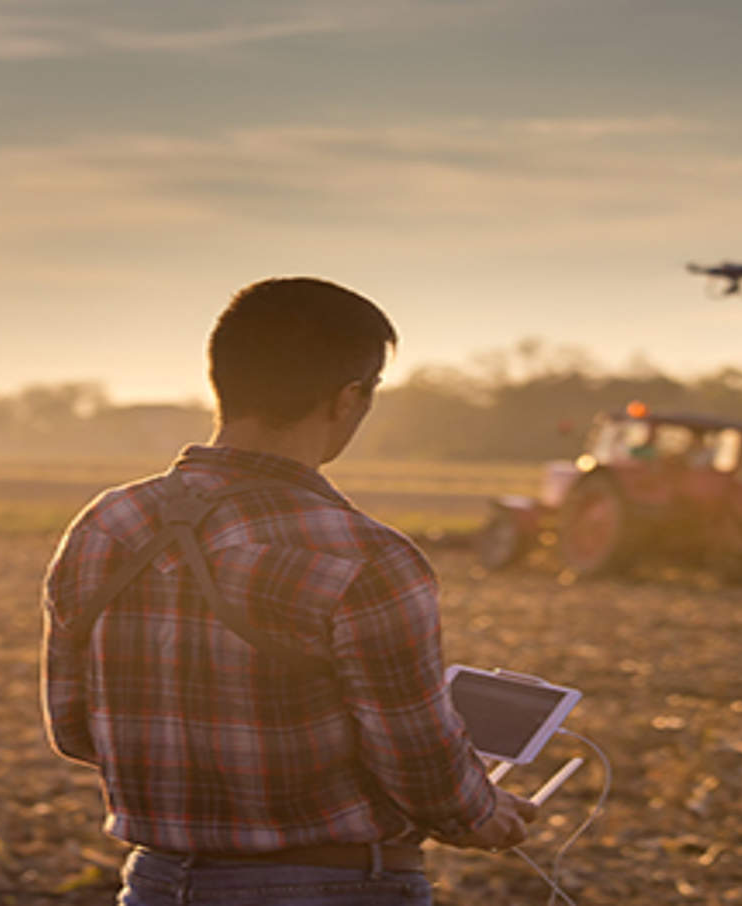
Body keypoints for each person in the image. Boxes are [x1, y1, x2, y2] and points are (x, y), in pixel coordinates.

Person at [41, 277, 537, 905]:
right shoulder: (364, 554)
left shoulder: (105, 524)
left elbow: (73, 728)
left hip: (156, 883)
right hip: (337, 887)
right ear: (348, 398)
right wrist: (479, 811)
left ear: (223, 378)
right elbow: (417, 761)